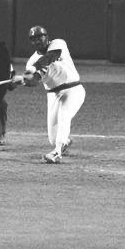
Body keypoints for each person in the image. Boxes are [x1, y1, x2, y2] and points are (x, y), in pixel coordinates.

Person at [12, 25, 85, 164]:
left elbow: (51, 56)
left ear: (46, 37)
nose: (37, 41)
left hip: (73, 89)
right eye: (34, 39)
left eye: (40, 37)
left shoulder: (58, 43)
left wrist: (34, 68)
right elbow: (34, 81)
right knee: (53, 138)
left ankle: (57, 152)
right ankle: (64, 142)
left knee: (64, 115)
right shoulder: (32, 61)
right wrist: (21, 82)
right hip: (53, 95)